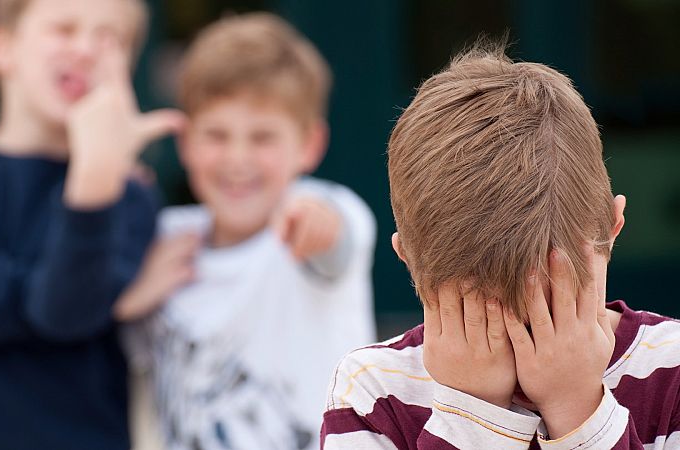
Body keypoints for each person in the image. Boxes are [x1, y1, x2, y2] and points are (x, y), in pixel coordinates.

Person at [320, 43, 680, 449]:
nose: (535, 350)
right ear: (408, 258)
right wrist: (473, 412)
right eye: (491, 316)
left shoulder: (672, 370)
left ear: (613, 228)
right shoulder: (373, 392)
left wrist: (578, 407)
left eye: (555, 306)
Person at [0, 0, 184, 448]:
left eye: (110, 37)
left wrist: (95, 178)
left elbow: (66, 311)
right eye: (63, 28)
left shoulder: (128, 197)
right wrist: (111, 304)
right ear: (2, 48)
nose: (85, 49)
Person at [116, 13, 377, 450]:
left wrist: (315, 223)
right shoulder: (166, 239)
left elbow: (336, 238)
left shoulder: (320, 207)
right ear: (185, 143)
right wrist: (130, 297)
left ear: (309, 144)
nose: (238, 158)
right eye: (217, 135)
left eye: (262, 138)